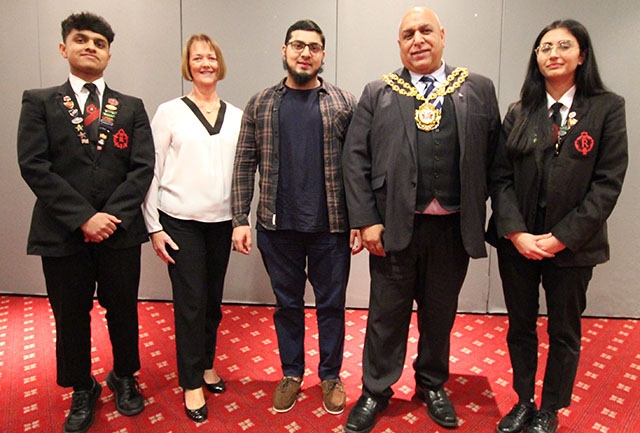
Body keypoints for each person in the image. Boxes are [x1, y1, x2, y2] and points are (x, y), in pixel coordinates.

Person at [342, 7, 500, 432]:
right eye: (408, 34)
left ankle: (431, 384)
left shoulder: (478, 89)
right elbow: (354, 159)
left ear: (442, 36)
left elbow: (495, 159)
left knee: (439, 314)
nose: (418, 40)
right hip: (394, 228)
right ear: (400, 44)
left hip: (452, 228)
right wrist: (366, 220)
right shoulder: (379, 92)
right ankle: (376, 390)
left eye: (425, 30)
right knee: (385, 316)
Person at [487, 19, 628, 433]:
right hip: (520, 243)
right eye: (545, 47)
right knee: (520, 326)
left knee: (564, 330)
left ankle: (550, 407)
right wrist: (516, 233)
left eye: (564, 46)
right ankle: (524, 400)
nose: (553, 53)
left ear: (581, 55)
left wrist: (562, 237)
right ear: (536, 57)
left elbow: (608, 182)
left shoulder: (605, 107)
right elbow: (501, 178)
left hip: (573, 246)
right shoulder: (520, 111)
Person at [17, 12, 154, 433]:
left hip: (119, 231)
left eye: (99, 42)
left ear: (109, 54)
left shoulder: (130, 107)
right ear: (64, 48)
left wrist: (107, 218)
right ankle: (82, 386)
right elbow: (34, 165)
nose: (90, 47)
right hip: (62, 232)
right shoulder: (39, 101)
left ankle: (124, 376)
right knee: (70, 314)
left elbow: (142, 166)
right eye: (81, 40)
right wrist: (83, 218)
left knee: (124, 311)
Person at [231, 19, 361, 416]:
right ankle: (291, 373)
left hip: (330, 228)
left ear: (322, 55)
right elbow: (243, 162)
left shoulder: (343, 102)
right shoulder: (260, 103)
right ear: (284, 51)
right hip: (277, 226)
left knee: (331, 305)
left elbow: (357, 166)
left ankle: (330, 376)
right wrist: (240, 217)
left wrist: (360, 218)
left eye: (314, 47)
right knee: (286, 304)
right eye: (298, 45)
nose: (305, 53)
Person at [142, 34, 242, 423]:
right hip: (179, 222)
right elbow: (151, 170)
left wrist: (240, 220)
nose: (205, 63)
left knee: (212, 302)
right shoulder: (169, 112)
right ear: (188, 65)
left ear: (219, 64)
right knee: (189, 304)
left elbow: (242, 172)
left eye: (211, 57)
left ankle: (205, 365)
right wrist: (153, 226)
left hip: (220, 223)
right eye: (197, 58)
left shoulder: (236, 115)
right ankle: (191, 382)